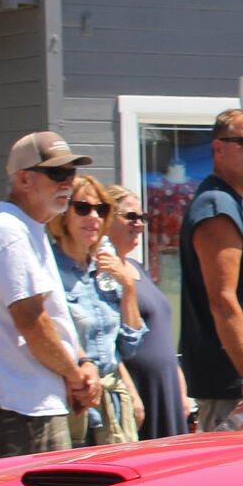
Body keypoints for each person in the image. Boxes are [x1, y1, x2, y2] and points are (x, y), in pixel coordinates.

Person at [0, 131, 101, 460]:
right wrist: (74, 376)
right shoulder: (8, 231)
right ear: (23, 179)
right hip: (21, 408)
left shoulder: (24, 227)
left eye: (71, 173)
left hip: (26, 403)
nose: (67, 182)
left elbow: (51, 315)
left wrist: (82, 362)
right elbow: (31, 320)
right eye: (56, 173)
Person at [179, 108, 243, 431]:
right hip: (233, 390)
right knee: (232, 478)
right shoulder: (216, 205)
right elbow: (223, 301)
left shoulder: (231, 202)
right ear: (218, 148)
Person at [50, 176, 146, 446]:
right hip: (71, 405)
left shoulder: (104, 270)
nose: (93, 216)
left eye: (100, 210)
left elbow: (130, 346)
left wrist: (127, 285)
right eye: (82, 208)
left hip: (111, 406)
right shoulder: (48, 269)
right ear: (63, 215)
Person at [105, 185, 189, 440]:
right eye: (130, 216)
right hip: (139, 391)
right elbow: (105, 342)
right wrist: (130, 392)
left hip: (166, 390)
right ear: (107, 218)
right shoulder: (104, 272)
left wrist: (180, 386)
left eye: (142, 218)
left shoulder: (136, 267)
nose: (139, 224)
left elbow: (161, 334)